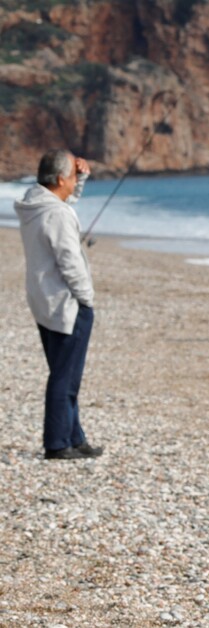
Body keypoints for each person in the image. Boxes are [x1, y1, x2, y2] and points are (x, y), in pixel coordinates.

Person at [14, 149, 104, 460]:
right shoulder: (57, 214)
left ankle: (74, 437)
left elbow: (61, 201)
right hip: (65, 305)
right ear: (60, 178)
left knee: (64, 373)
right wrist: (87, 299)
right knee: (65, 378)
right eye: (72, 175)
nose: (75, 180)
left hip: (43, 300)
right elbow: (70, 263)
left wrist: (81, 180)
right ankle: (57, 444)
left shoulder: (34, 203)